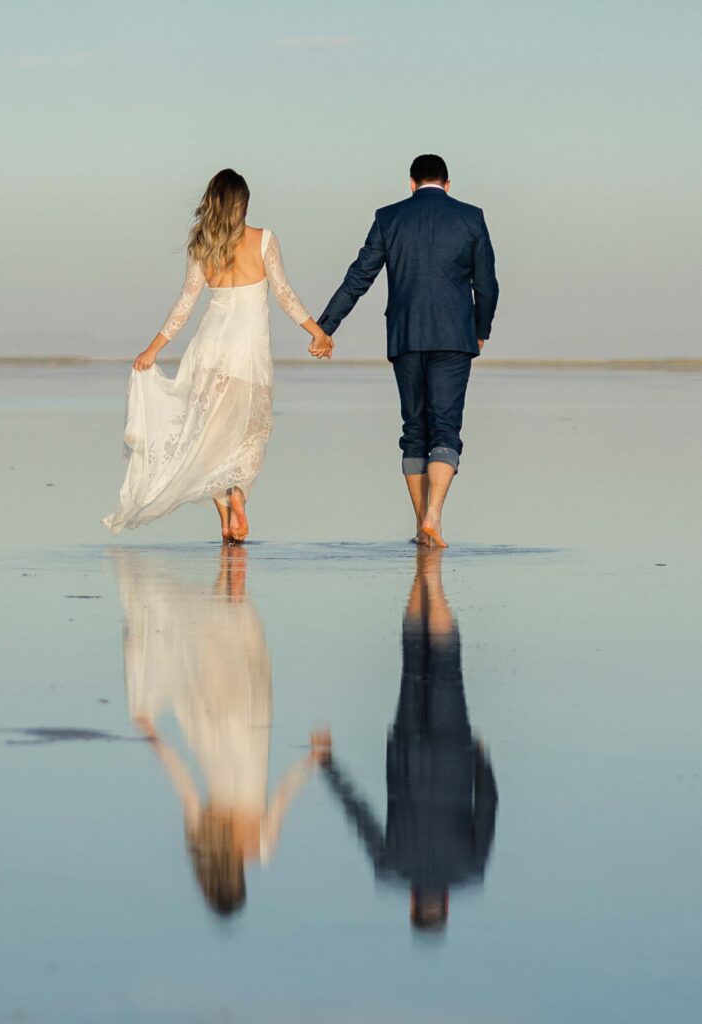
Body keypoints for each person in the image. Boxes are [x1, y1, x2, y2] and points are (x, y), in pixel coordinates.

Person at [102, 168, 333, 542]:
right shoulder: (264, 240)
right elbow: (286, 295)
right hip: (249, 353)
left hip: (209, 352)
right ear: (243, 203)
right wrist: (318, 332)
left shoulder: (202, 247)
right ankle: (238, 495)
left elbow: (185, 305)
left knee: (209, 437)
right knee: (248, 434)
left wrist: (153, 349)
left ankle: (226, 522)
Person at [111, 545, 324, 917]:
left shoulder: (261, 846)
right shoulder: (206, 838)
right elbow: (182, 782)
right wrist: (154, 736)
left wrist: (312, 759)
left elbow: (284, 792)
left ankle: (231, 570)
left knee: (235, 637)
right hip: (212, 728)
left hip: (249, 724)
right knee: (207, 642)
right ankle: (227, 570)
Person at [314, 154, 499, 547]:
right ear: (448, 184)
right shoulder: (471, 217)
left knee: (414, 430)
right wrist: (480, 330)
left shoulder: (389, 218)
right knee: (445, 428)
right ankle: (434, 516)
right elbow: (487, 285)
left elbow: (359, 276)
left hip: (406, 336)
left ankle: (421, 524)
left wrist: (324, 326)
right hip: (455, 337)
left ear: (411, 183)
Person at [318, 547, 498, 933]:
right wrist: (328, 766)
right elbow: (360, 816)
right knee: (414, 657)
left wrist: (482, 760)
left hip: (452, 752)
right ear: (415, 904)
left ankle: (432, 577)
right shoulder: (391, 868)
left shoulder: (470, 869)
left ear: (446, 903)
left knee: (446, 665)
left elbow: (488, 806)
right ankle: (424, 576)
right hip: (406, 750)